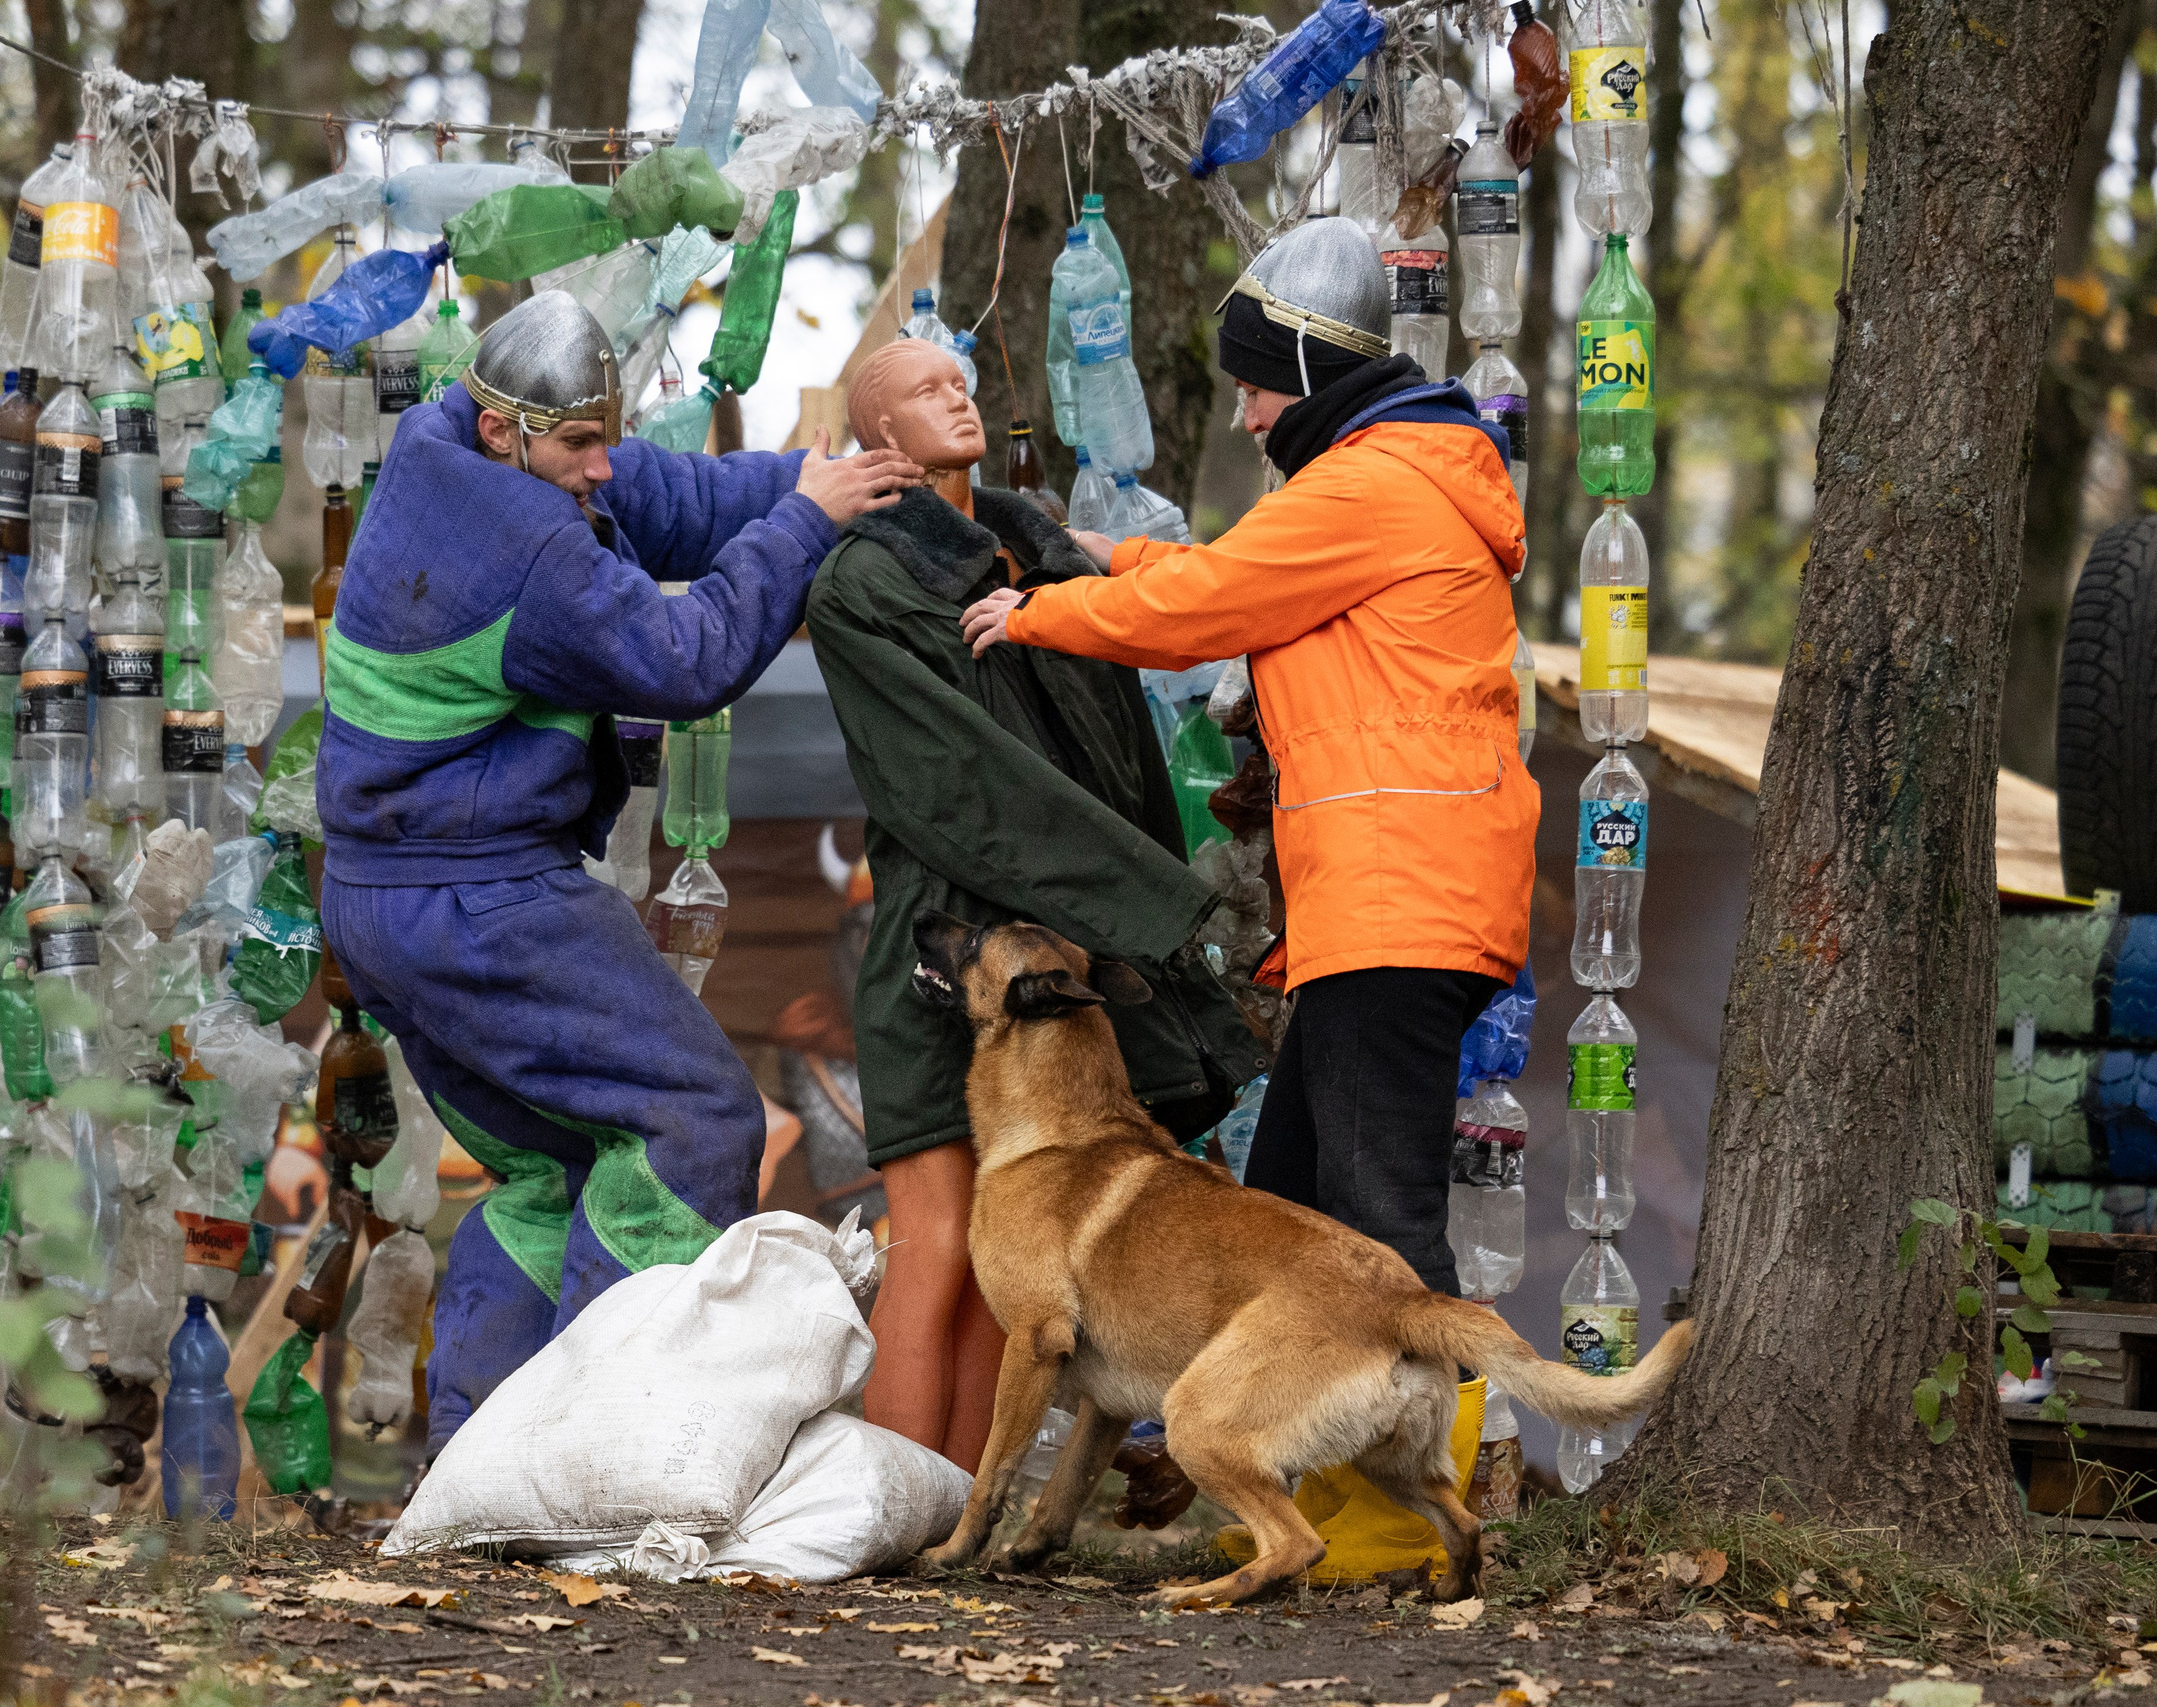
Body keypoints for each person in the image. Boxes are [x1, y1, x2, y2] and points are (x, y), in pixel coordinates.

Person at [317, 290, 922, 1452]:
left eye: (603, 438)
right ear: (509, 434)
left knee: (551, 1168)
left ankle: (480, 1469)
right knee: (690, 1117)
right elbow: (684, 660)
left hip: (383, 900)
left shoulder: (443, 448)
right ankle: (601, 1448)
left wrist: (826, 474)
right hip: (475, 896)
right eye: (579, 446)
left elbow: (663, 494)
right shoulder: (526, 548)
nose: (601, 468)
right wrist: (801, 524)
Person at [963, 216, 1537, 1297]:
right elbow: (1239, 572)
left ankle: (1419, 1464)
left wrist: (1038, 608)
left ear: (1308, 371)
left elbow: (1206, 605)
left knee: (1377, 1241)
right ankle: (1305, 1462)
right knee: (1289, 1217)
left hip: (1395, 903)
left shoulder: (1372, 484)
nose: (1244, 411)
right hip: (1383, 904)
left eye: (1255, 387)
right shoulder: (1390, 473)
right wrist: (1101, 551)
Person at [807, 338, 1266, 1471]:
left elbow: (1125, 766)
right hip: (946, 949)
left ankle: (954, 1508)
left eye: (959, 381)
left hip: (1062, 955)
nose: (954, 397)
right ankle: (879, 1516)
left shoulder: (1050, 560)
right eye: (922, 390)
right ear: (878, 436)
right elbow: (959, 781)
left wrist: (1157, 926)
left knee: (1000, 1275)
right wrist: (1159, 905)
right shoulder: (864, 582)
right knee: (931, 1251)